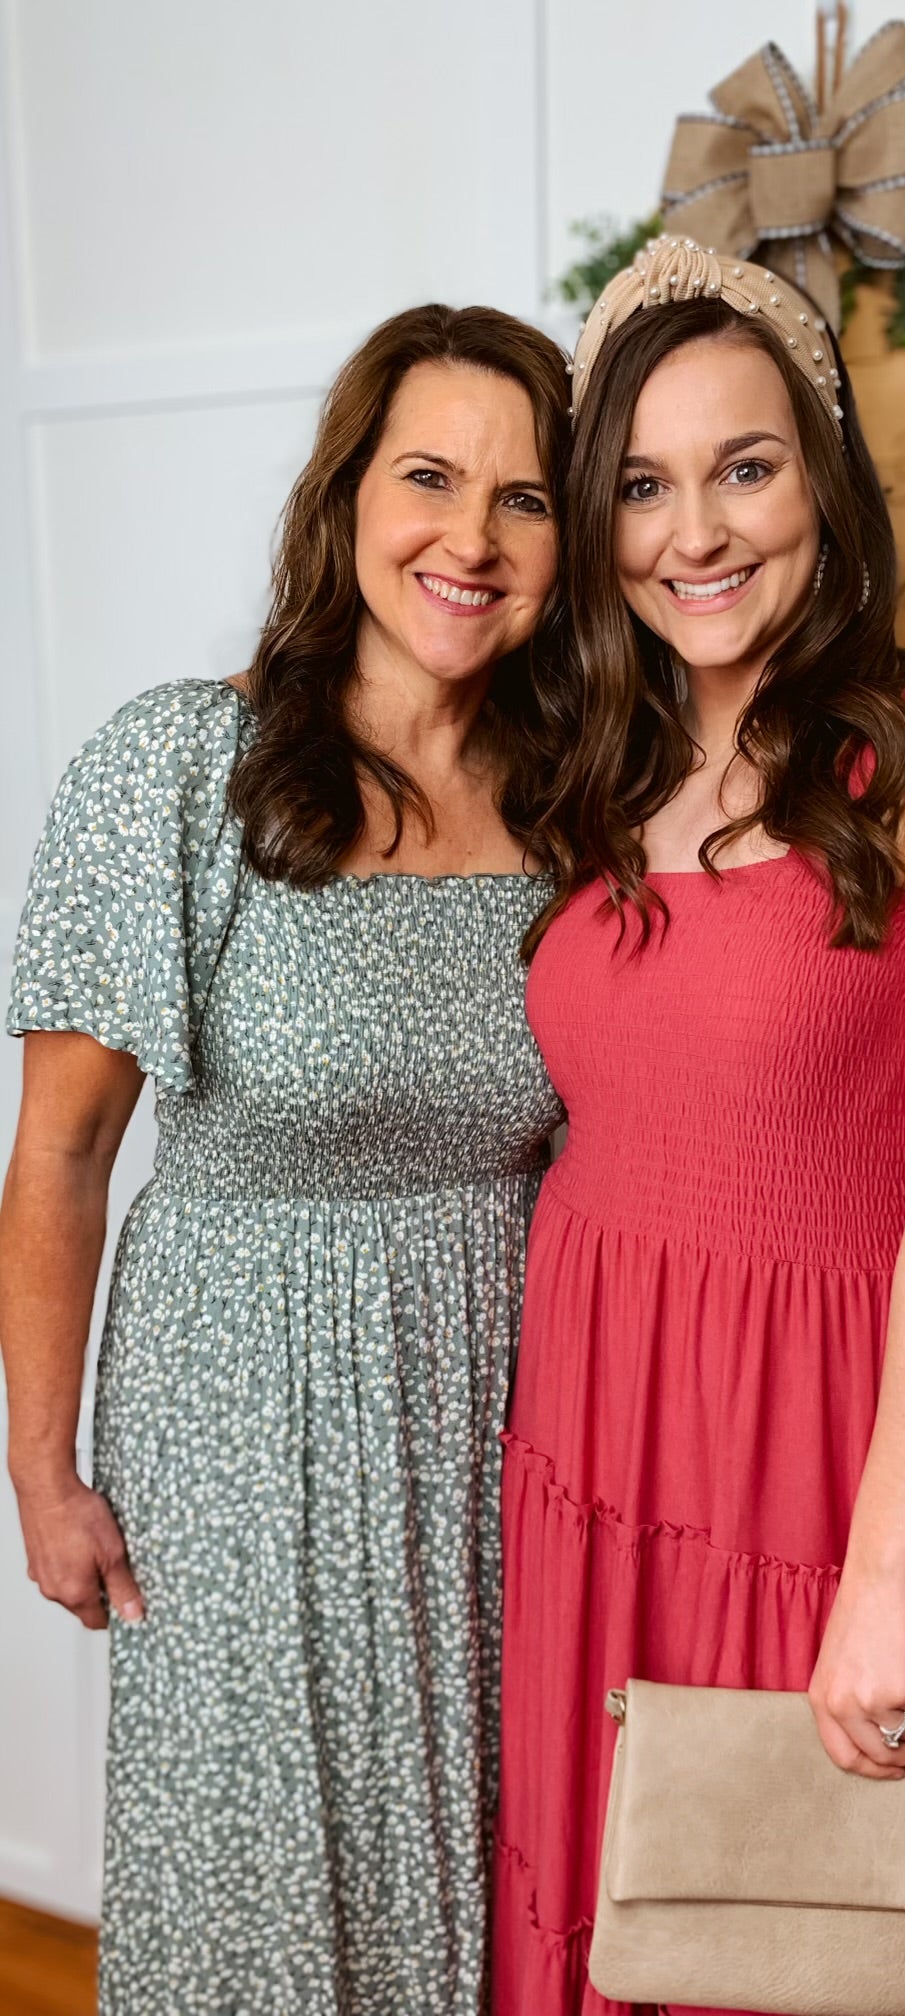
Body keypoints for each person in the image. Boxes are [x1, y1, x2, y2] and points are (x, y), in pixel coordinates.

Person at [492, 238, 905, 2015]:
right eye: (641, 487)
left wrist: (882, 1571)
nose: (694, 533)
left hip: (815, 1463)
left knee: (794, 1944)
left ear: (823, 477)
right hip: (593, 1443)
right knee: (601, 1916)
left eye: (743, 469)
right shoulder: (595, 772)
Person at [1, 303, 569, 2015]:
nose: (471, 538)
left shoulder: (581, 803)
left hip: (494, 1416)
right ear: (346, 500)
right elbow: (62, 1156)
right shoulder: (181, 766)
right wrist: (42, 1470)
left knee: (474, 1869)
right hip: (234, 1431)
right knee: (250, 1892)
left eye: (525, 498)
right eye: (428, 478)